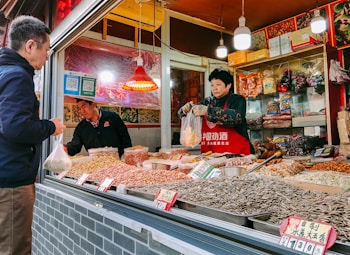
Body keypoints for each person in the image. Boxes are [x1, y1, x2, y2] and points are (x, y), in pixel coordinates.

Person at [0, 15, 66, 254]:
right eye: (46, 50)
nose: (48, 57)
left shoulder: (4, 72)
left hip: (6, 174)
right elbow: (15, 127)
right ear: (30, 46)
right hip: (12, 183)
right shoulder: (18, 76)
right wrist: (50, 127)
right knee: (14, 248)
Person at [178, 68, 254, 155]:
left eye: (218, 84)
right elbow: (183, 114)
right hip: (211, 155)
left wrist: (208, 111)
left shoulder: (237, 100)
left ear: (228, 85)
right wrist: (185, 110)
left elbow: (235, 118)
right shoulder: (207, 102)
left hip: (237, 155)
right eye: (212, 85)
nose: (214, 88)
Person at [65, 98, 132, 158]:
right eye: (79, 108)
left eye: (83, 106)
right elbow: (75, 145)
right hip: (96, 164)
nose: (82, 111)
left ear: (93, 104)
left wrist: (126, 156)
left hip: (117, 162)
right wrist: (66, 148)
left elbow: (125, 138)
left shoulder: (113, 117)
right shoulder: (81, 127)